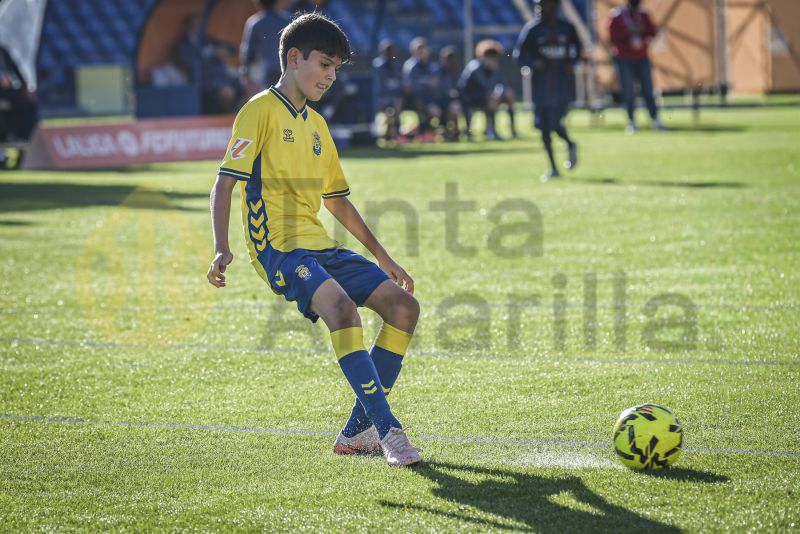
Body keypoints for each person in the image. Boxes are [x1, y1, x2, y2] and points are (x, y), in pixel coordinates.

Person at [207, 13, 422, 467]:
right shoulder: (258, 111)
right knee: (342, 309)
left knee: (403, 308)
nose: (330, 76)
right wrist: (221, 247)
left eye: (336, 69)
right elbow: (225, 182)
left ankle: (354, 433)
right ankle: (389, 432)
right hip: (279, 250)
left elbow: (337, 201)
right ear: (293, 58)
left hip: (320, 246)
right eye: (324, 64)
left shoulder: (318, 126)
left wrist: (383, 257)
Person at [514, 0, 581, 180]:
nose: (542, 9)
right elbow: (519, 55)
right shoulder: (533, 29)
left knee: (553, 123)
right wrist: (533, 63)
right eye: (540, 6)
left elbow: (578, 49)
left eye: (545, 5)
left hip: (562, 86)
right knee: (542, 127)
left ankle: (569, 144)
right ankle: (553, 167)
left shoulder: (567, 28)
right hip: (541, 87)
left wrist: (572, 63)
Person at [608, 0, 667, 133]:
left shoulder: (643, 15)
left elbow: (652, 32)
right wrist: (628, 33)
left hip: (642, 57)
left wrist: (643, 34)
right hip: (624, 59)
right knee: (628, 92)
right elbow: (612, 38)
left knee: (648, 90)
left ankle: (655, 119)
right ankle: (632, 122)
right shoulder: (617, 15)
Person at [174, 14, 242, 114]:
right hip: (204, 81)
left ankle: (240, 116)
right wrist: (212, 55)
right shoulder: (183, 45)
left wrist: (223, 51)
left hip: (222, 77)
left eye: (200, 24)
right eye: (195, 24)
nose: (198, 27)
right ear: (189, 26)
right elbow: (189, 63)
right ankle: (227, 119)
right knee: (227, 93)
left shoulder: (207, 41)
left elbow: (233, 49)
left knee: (251, 88)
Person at [459, 39, 517, 141]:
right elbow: (485, 86)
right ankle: (491, 130)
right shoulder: (475, 67)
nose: (493, 60)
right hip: (470, 97)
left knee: (509, 94)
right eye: (490, 57)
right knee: (492, 98)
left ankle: (513, 130)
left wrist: (500, 92)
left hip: (486, 96)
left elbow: (502, 84)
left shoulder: (494, 68)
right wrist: (494, 73)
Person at [240, 0, 293, 96]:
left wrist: (245, 72)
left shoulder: (255, 22)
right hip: (286, 67)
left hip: (266, 70)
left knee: (269, 99)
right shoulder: (286, 20)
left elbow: (248, 51)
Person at [402, 37, 442, 142]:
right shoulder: (410, 66)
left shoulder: (432, 67)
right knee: (420, 104)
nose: (422, 52)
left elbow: (435, 84)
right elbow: (409, 88)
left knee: (436, 110)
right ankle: (420, 132)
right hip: (412, 100)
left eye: (423, 49)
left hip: (429, 98)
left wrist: (423, 85)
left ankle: (427, 132)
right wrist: (426, 84)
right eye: (419, 50)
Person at [372, 39, 404, 142]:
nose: (390, 53)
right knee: (390, 111)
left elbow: (399, 83)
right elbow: (380, 86)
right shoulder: (378, 65)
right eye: (388, 51)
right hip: (381, 98)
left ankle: (394, 131)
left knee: (396, 105)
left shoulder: (396, 65)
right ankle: (389, 133)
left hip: (393, 97)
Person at [437, 45, 464, 141]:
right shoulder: (438, 72)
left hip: (455, 100)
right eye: (448, 59)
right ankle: (449, 131)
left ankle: (456, 132)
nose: (450, 61)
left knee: (456, 106)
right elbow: (438, 89)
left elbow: (460, 87)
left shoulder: (457, 71)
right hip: (441, 101)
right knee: (454, 107)